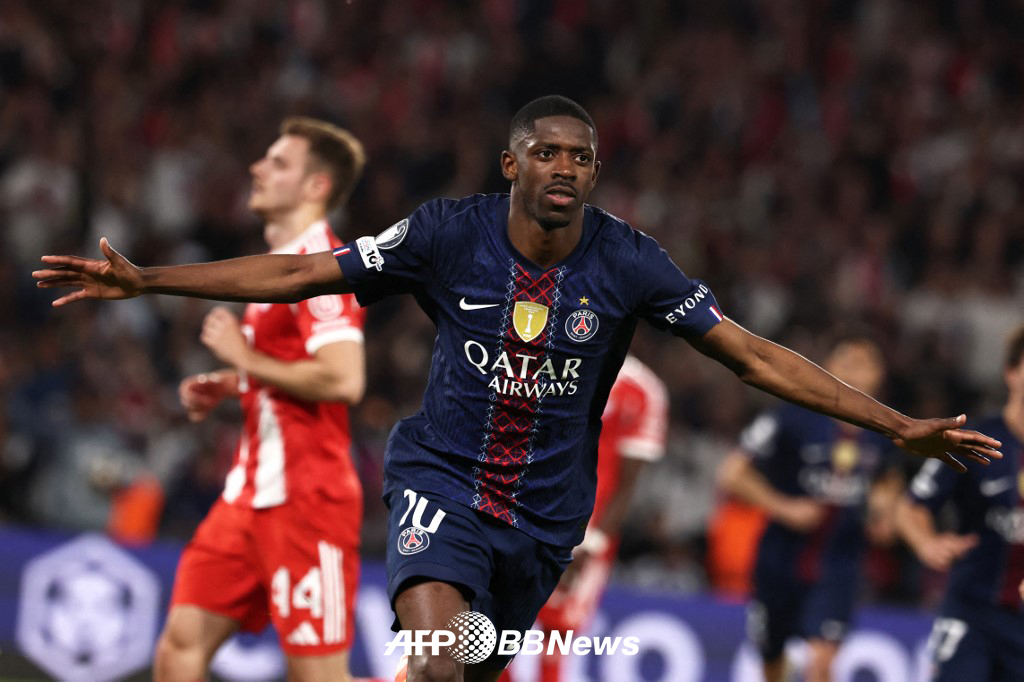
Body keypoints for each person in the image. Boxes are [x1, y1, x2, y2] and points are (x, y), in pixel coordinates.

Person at [35, 95, 1001, 682]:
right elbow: (302, 274)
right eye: (548, 152)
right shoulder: (446, 234)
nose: (566, 168)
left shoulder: (630, 262)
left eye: (581, 156)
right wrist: (150, 279)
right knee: (436, 651)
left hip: (543, 526)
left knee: (472, 666)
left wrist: (891, 425)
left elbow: (750, 354)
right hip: (442, 480)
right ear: (512, 164)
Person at [152, 117, 368, 682]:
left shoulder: (323, 267)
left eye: (278, 162)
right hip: (249, 494)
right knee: (179, 648)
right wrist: (235, 382)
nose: (257, 168)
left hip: (307, 501)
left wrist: (244, 359)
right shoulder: (279, 268)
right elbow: (298, 368)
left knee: (319, 677)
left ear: (316, 186)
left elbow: (345, 379)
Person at [717, 337, 902, 682]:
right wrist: (784, 508)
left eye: (866, 364)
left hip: (840, 565)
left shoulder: (884, 432)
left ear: (880, 375)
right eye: (848, 361)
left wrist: (885, 515)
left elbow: (887, 483)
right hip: (781, 558)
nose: (856, 373)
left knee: (821, 661)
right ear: (828, 366)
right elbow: (733, 473)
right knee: (772, 656)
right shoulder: (791, 417)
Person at [896, 325, 1024, 681]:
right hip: (971, 612)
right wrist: (926, 543)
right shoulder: (978, 441)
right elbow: (911, 507)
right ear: (1011, 373)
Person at [533, 355, 668, 682]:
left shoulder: (643, 391)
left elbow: (628, 482)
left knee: (557, 638)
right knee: (492, 629)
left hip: (585, 535)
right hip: (528, 517)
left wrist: (591, 542)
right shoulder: (549, 362)